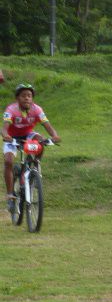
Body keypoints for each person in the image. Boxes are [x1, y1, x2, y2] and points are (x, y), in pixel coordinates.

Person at [2, 83, 61, 212]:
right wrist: (5, 135)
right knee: (8, 161)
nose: (27, 98)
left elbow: (48, 126)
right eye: (23, 96)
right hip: (12, 137)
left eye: (29, 96)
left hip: (28, 134)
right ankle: (10, 195)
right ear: (17, 98)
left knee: (40, 140)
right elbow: (4, 128)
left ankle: (34, 166)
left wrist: (54, 136)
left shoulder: (37, 109)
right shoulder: (11, 110)